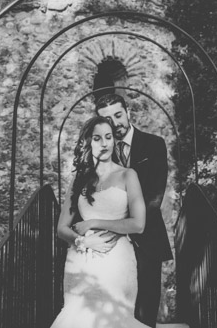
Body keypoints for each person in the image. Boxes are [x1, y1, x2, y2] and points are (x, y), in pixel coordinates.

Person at [51, 116, 150, 328]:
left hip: (117, 261)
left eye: (108, 137)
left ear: (114, 140)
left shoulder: (128, 175)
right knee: (77, 318)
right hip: (81, 260)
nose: (104, 143)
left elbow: (138, 224)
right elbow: (61, 228)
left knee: (115, 320)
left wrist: (93, 222)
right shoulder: (79, 179)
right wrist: (83, 242)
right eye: (97, 138)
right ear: (88, 142)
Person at [96, 93, 172, 328]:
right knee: (114, 302)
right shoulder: (98, 153)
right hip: (111, 240)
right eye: (108, 119)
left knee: (146, 301)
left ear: (127, 111)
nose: (115, 122)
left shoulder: (154, 144)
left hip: (147, 234)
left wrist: (130, 225)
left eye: (118, 115)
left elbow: (155, 195)